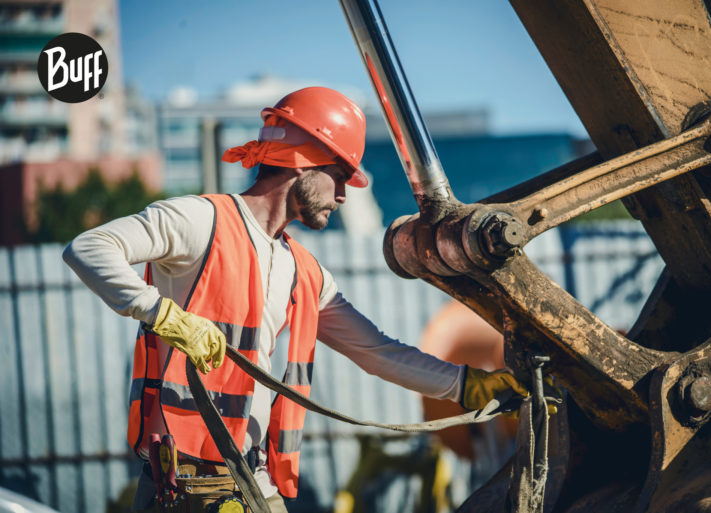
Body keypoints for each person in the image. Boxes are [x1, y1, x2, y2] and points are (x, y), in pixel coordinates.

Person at [63, 87, 528, 512]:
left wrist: (468, 386)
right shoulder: (198, 221)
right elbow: (87, 248)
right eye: (340, 176)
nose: (344, 195)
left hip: (250, 483)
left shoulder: (304, 272)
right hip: (185, 489)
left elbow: (378, 352)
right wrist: (166, 316)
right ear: (304, 161)